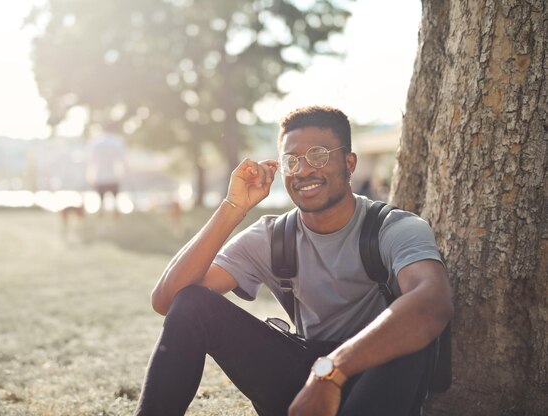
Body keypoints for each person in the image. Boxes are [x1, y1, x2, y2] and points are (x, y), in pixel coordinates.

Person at [135, 106, 453, 416]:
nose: (303, 170)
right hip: (302, 376)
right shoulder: (273, 236)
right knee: (193, 302)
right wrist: (233, 206)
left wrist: (331, 372)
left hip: (374, 375)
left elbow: (432, 304)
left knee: (410, 340)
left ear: (349, 162)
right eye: (291, 161)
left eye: (318, 155)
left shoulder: (395, 228)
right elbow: (169, 300)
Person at [85, 128, 128, 217]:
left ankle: (102, 217)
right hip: (113, 176)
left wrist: (90, 176)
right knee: (115, 200)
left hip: (101, 176)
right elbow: (122, 160)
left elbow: (92, 161)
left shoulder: (96, 143)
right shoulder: (117, 142)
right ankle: (114, 218)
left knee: (101, 201)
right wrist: (124, 173)